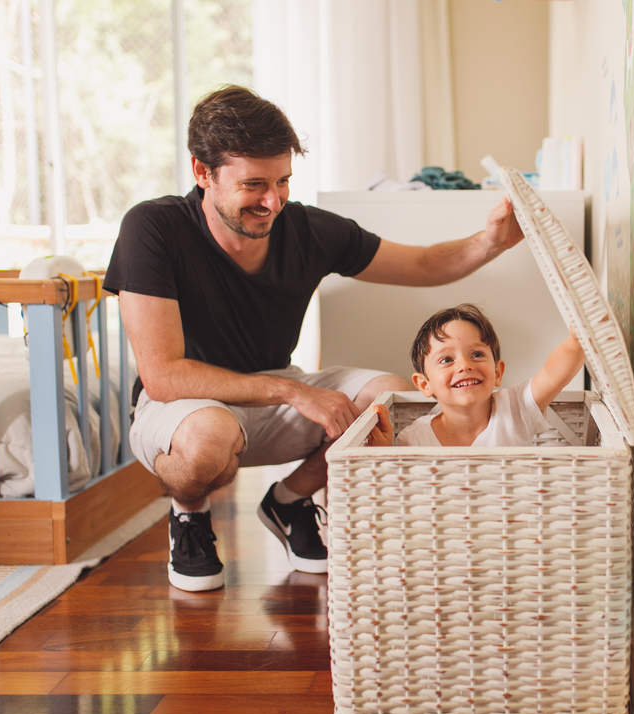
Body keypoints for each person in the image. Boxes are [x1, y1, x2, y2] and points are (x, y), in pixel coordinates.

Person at [103, 86, 524, 592]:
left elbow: (422, 263)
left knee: (391, 396)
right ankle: (190, 515)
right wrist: (294, 391)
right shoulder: (152, 228)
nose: (272, 201)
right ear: (202, 173)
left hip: (272, 391)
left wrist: (492, 241)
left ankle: (288, 501)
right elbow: (164, 374)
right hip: (181, 406)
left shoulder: (306, 229)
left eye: (282, 182)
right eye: (253, 185)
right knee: (207, 440)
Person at [366, 304, 584, 447]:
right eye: (446, 360)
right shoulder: (413, 440)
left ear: (497, 373)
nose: (464, 365)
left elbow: (551, 375)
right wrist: (382, 454)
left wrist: (578, 340)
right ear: (424, 385)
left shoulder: (515, 410)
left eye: (477, 354)